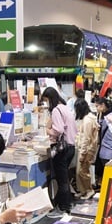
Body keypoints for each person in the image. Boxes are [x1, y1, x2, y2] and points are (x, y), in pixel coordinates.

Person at [41, 87, 77, 216]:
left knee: (62, 179)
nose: (46, 104)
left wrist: (47, 130)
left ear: (50, 99)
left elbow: (59, 130)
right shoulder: (65, 108)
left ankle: (63, 207)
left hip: (62, 149)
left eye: (46, 100)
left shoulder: (56, 110)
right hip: (70, 147)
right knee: (65, 178)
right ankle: (67, 203)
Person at [74, 98, 99, 199]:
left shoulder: (87, 120)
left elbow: (86, 138)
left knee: (82, 171)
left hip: (87, 149)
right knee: (80, 171)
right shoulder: (89, 118)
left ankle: (89, 190)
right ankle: (83, 190)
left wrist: (83, 152)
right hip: (88, 148)